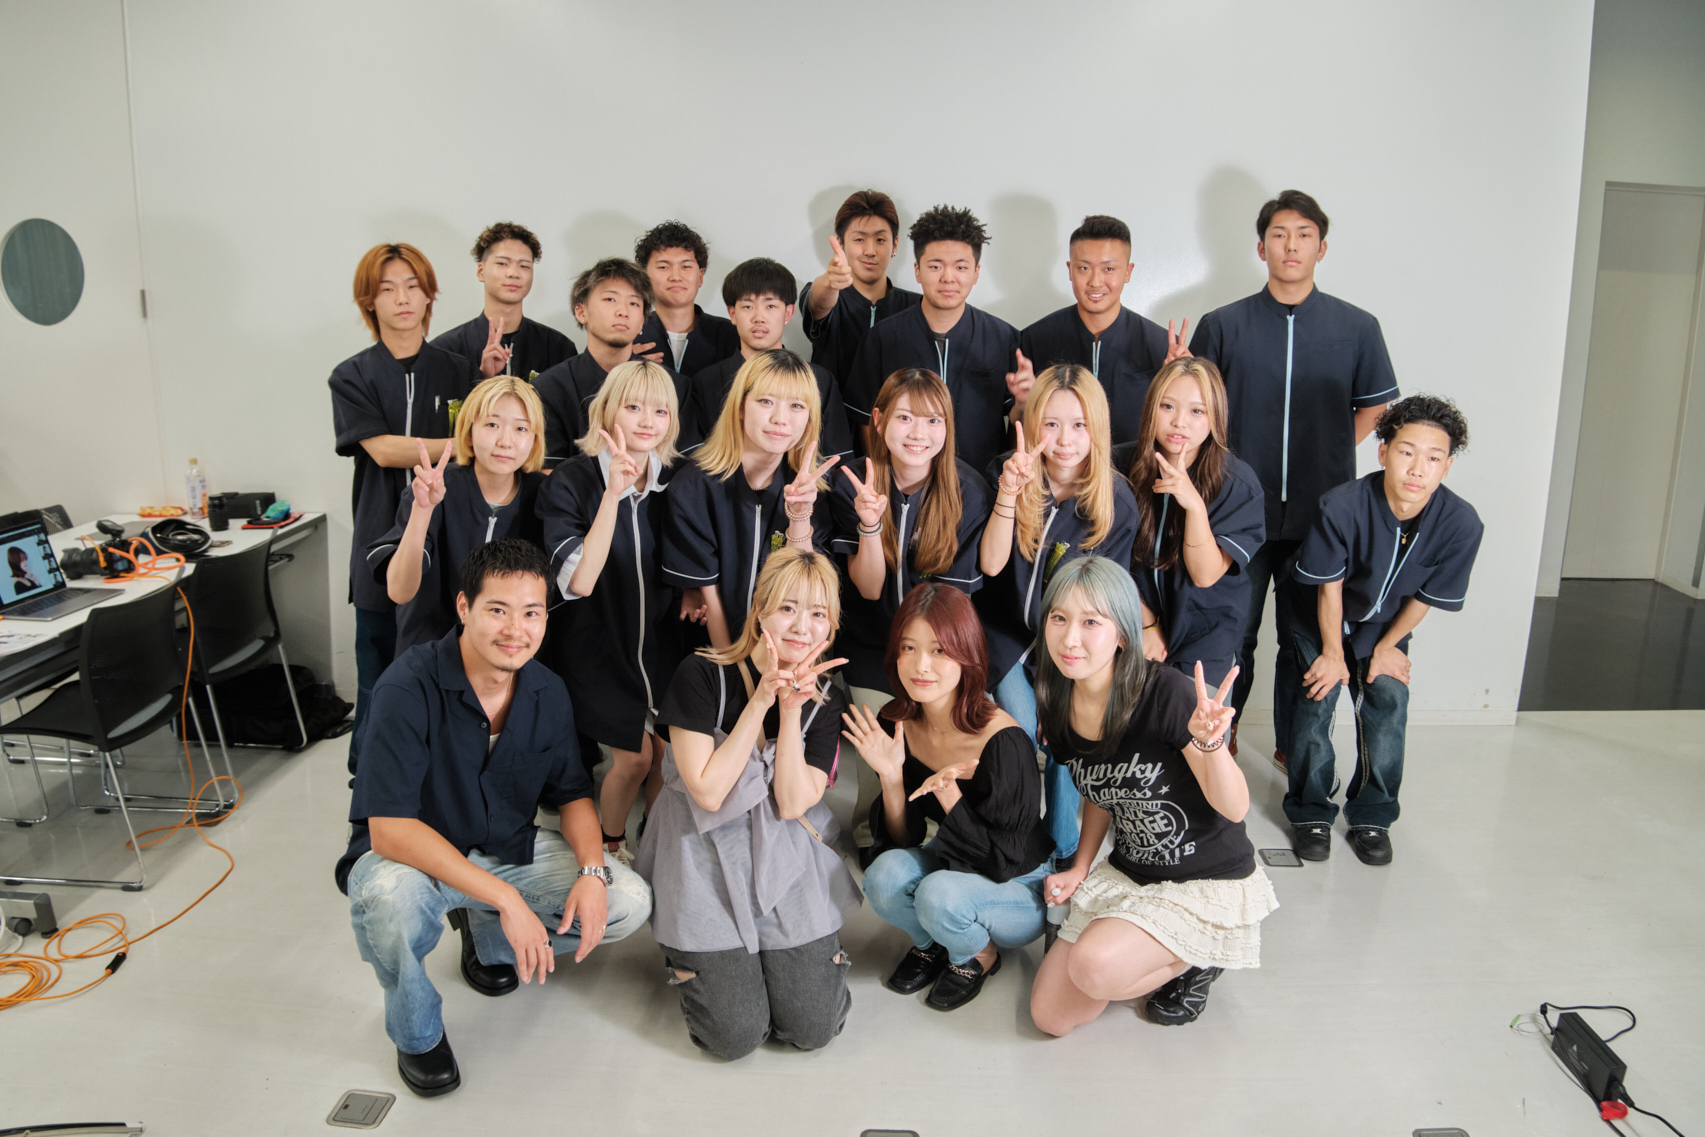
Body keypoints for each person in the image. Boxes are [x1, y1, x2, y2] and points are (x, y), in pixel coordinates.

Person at [336, 540, 653, 1097]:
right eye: (498, 610)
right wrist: (507, 899)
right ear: (464, 607)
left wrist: (591, 871)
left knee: (628, 901)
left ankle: (487, 938)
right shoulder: (406, 687)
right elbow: (388, 829)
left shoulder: (546, 690)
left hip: (501, 849)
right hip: (412, 859)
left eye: (531, 613)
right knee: (389, 905)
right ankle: (417, 1033)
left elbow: (573, 794)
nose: (516, 630)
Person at [1188, 190, 1398, 762]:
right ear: (1261, 247)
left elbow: (1375, 407)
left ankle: (1292, 743)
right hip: (1238, 512)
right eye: (1279, 234)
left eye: (1304, 235)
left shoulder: (1357, 326)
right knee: (1233, 630)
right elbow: (1198, 405)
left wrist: (1329, 450)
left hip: (1321, 513)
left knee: (1302, 637)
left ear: (1321, 248)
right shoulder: (1223, 325)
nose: (1291, 245)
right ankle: (1221, 731)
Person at [1028, 557, 1278, 1036]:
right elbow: (1102, 789)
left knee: (1093, 965)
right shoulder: (1057, 703)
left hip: (1204, 877)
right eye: (1058, 618)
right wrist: (1081, 866)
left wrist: (1212, 745)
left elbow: (1235, 808)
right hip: (1134, 872)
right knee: (1051, 1017)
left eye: (1091, 622)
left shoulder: (1166, 694)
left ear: (1123, 634)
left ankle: (1200, 955)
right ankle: (1145, 946)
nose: (1070, 638)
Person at [635, 549, 860, 1061]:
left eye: (818, 614)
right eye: (788, 608)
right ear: (760, 612)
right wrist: (761, 700)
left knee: (813, 1027)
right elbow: (708, 792)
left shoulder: (824, 700)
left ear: (830, 628)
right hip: (700, 857)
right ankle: (695, 959)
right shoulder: (700, 674)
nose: (802, 626)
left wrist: (790, 711)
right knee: (734, 1036)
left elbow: (791, 802)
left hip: (782, 855)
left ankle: (791, 959)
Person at [1278, 395, 1482, 866]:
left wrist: (1389, 646)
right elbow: (1328, 588)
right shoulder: (1341, 506)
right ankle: (1310, 812)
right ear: (1383, 451)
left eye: (1433, 458)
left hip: (1386, 624)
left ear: (1447, 467)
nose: (1417, 468)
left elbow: (1426, 597)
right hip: (1316, 614)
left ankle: (1372, 815)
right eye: (1407, 451)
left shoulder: (1462, 523)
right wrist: (1332, 653)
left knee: (1388, 699)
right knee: (1317, 697)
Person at [843, 584, 1052, 1010]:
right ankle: (935, 942)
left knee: (937, 894)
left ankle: (977, 955)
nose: (921, 666)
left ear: (966, 656)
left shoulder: (1005, 741)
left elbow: (1002, 861)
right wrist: (891, 778)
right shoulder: (899, 722)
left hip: (1018, 884)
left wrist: (951, 796)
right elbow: (904, 838)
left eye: (939, 650)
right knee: (883, 877)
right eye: (909, 648)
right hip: (958, 860)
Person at [978, 364, 1137, 865]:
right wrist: (1009, 493)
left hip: (1071, 645)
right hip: (1006, 637)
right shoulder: (1004, 471)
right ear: (1031, 424)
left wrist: (1067, 681)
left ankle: (1064, 848)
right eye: (1051, 424)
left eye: (1079, 425)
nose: (1064, 440)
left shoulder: (1116, 500)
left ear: (1098, 429)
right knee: (1022, 731)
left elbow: (1102, 602)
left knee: (1068, 740)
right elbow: (991, 565)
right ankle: (1016, 836)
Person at [828, 368, 992, 854]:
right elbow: (868, 586)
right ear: (878, 420)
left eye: (933, 420)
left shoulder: (968, 490)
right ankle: (874, 838)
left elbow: (951, 605)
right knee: (875, 747)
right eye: (905, 418)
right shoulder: (850, 482)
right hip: (869, 642)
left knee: (937, 739)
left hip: (936, 648)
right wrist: (870, 524)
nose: (919, 433)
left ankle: (947, 838)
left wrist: (926, 661)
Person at [329, 243, 477, 774]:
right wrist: (463, 444)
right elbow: (383, 451)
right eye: (387, 289)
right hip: (379, 542)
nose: (402, 299)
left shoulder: (459, 371)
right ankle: (368, 782)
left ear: (429, 295)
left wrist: (477, 442)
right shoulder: (351, 375)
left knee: (445, 672)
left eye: (413, 286)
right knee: (378, 677)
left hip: (447, 542)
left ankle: (436, 778)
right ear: (369, 301)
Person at [535, 360, 686, 866]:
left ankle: (656, 845)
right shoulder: (570, 481)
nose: (647, 420)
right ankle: (612, 844)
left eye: (660, 410)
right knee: (635, 758)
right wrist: (613, 495)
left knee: (667, 754)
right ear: (606, 411)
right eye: (633, 406)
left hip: (662, 644)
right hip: (596, 646)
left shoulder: (678, 478)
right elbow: (579, 581)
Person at [662, 349, 839, 650]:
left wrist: (799, 515)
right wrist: (733, 666)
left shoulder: (815, 488)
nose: (780, 419)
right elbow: (709, 595)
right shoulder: (693, 486)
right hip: (713, 653)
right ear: (741, 406)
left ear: (810, 417)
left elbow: (803, 590)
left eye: (797, 406)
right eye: (766, 401)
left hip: (789, 651)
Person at [1112, 358, 1266, 689]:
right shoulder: (1117, 466)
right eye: (1167, 406)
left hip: (1206, 634)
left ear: (1215, 417)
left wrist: (1194, 506)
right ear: (1151, 408)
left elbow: (1204, 574)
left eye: (1197, 411)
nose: (1179, 421)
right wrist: (1145, 624)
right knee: (1126, 717)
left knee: (1194, 718)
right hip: (1132, 620)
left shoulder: (1238, 483)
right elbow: (1105, 558)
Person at [369, 376, 547, 656]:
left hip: (509, 659)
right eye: (492, 424)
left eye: (521, 428)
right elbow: (400, 592)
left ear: (535, 440)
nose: (505, 441)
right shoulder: (435, 488)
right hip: (431, 656)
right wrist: (423, 509)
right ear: (469, 432)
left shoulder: (545, 496)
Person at [844, 205, 1026, 473]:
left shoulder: (1004, 338)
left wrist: (1024, 401)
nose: (948, 278)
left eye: (961, 267)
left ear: (976, 272)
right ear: (917, 270)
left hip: (981, 485)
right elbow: (866, 420)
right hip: (903, 485)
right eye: (936, 266)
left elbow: (1016, 421)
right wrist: (882, 479)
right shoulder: (882, 338)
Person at [1019, 214, 1185, 445]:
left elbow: (1180, 427)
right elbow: (1017, 428)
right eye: (1084, 268)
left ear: (1128, 272)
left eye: (1108, 269)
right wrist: (1022, 403)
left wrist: (1184, 380)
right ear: (1070, 270)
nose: (1096, 282)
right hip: (1058, 466)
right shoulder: (1035, 340)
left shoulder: (1161, 346)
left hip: (1135, 467)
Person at [533, 257, 694, 466]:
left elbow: (688, 468)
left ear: (642, 321)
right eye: (610, 299)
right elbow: (546, 472)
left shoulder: (675, 386)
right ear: (581, 312)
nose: (623, 311)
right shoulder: (549, 388)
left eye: (634, 303)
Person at [686, 257, 853, 458]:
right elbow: (698, 462)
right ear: (732, 314)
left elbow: (837, 461)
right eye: (747, 306)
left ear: (788, 313)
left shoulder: (820, 380)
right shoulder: (705, 382)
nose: (759, 317)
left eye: (770, 306)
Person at [800, 189, 922, 385]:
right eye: (859, 239)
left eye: (880, 240)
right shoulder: (829, 295)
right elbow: (818, 303)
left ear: (895, 245)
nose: (870, 251)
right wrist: (829, 283)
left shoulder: (917, 307)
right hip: (830, 406)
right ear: (840, 244)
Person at [431, 221, 576, 381]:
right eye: (502, 263)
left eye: (524, 266)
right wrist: (482, 377)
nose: (513, 273)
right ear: (480, 271)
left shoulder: (558, 348)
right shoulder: (445, 350)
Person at [634, 220, 741, 376]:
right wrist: (619, 365)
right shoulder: (629, 334)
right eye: (663, 267)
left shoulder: (732, 336)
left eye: (686, 266)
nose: (676, 276)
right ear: (644, 277)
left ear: (700, 277)